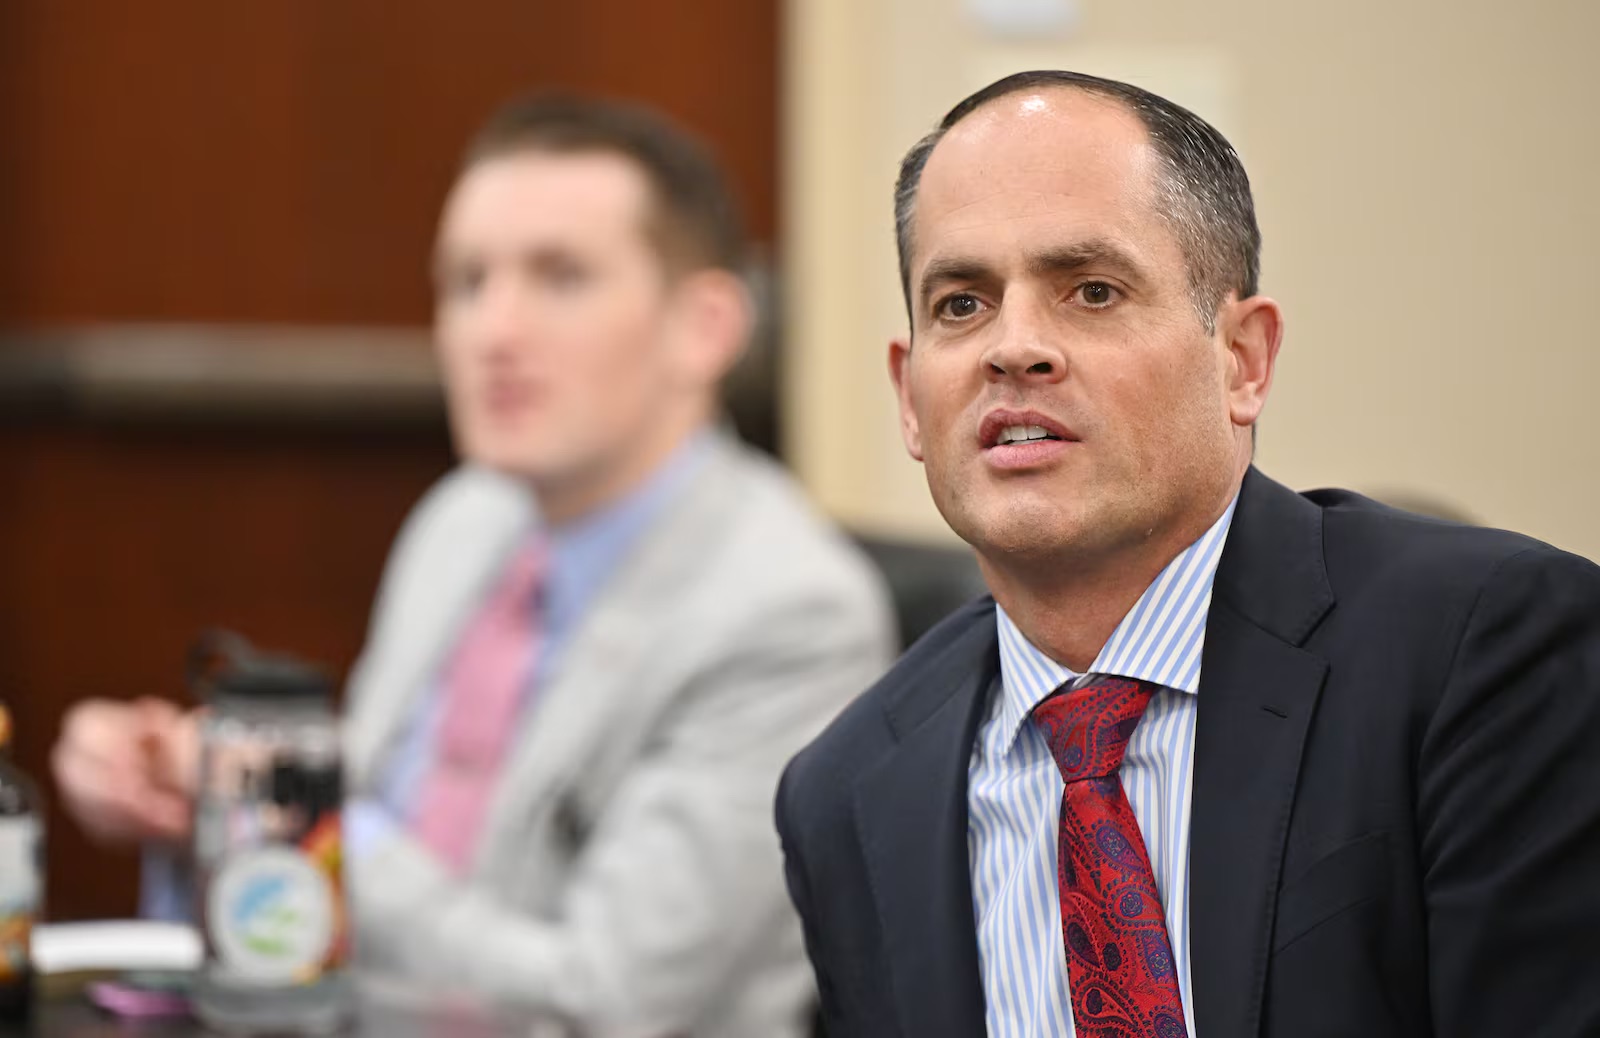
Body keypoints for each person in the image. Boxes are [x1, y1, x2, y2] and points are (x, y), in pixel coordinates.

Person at [774, 70, 1600, 1038]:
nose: (1014, 348)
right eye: (961, 304)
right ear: (910, 397)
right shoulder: (848, 791)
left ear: (1242, 359)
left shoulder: (1481, 649)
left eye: (1090, 289)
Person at [53, 94, 896, 1038]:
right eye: (465, 280)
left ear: (703, 326)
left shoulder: (790, 610)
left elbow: (605, 997)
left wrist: (303, 822)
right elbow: (352, 895)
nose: (493, 330)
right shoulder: (463, 520)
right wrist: (205, 800)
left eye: (560, 276)